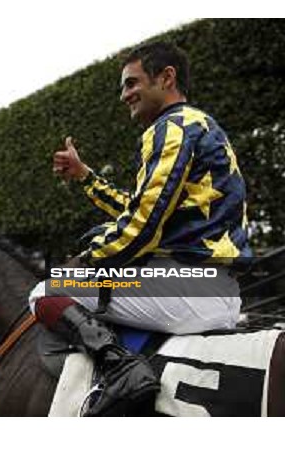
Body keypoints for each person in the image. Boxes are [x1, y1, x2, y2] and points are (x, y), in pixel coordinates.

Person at [29, 41, 251, 415]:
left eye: (132, 83)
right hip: (216, 289)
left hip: (185, 288)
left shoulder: (171, 128)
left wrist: (86, 261)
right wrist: (86, 177)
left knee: (45, 292)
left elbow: (141, 227)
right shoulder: (198, 125)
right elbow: (142, 210)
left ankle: (122, 370)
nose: (124, 95)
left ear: (166, 78)